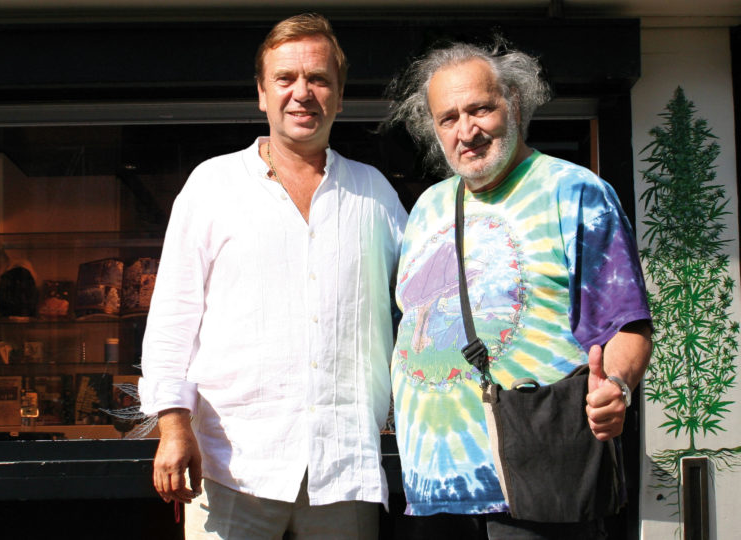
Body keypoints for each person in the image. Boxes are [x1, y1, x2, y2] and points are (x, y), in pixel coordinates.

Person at [138, 13, 407, 539]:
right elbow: (173, 314)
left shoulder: (374, 194)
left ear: (340, 96)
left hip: (343, 467)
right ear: (262, 94)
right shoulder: (212, 185)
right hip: (232, 465)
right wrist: (173, 427)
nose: (301, 93)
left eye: (319, 79)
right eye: (285, 79)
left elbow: (424, 302)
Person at [383, 40, 652, 538]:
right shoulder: (427, 207)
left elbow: (627, 323)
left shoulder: (573, 191)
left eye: (481, 108)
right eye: (448, 118)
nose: (466, 130)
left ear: (516, 103)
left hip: (536, 480)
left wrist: (615, 385)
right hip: (429, 489)